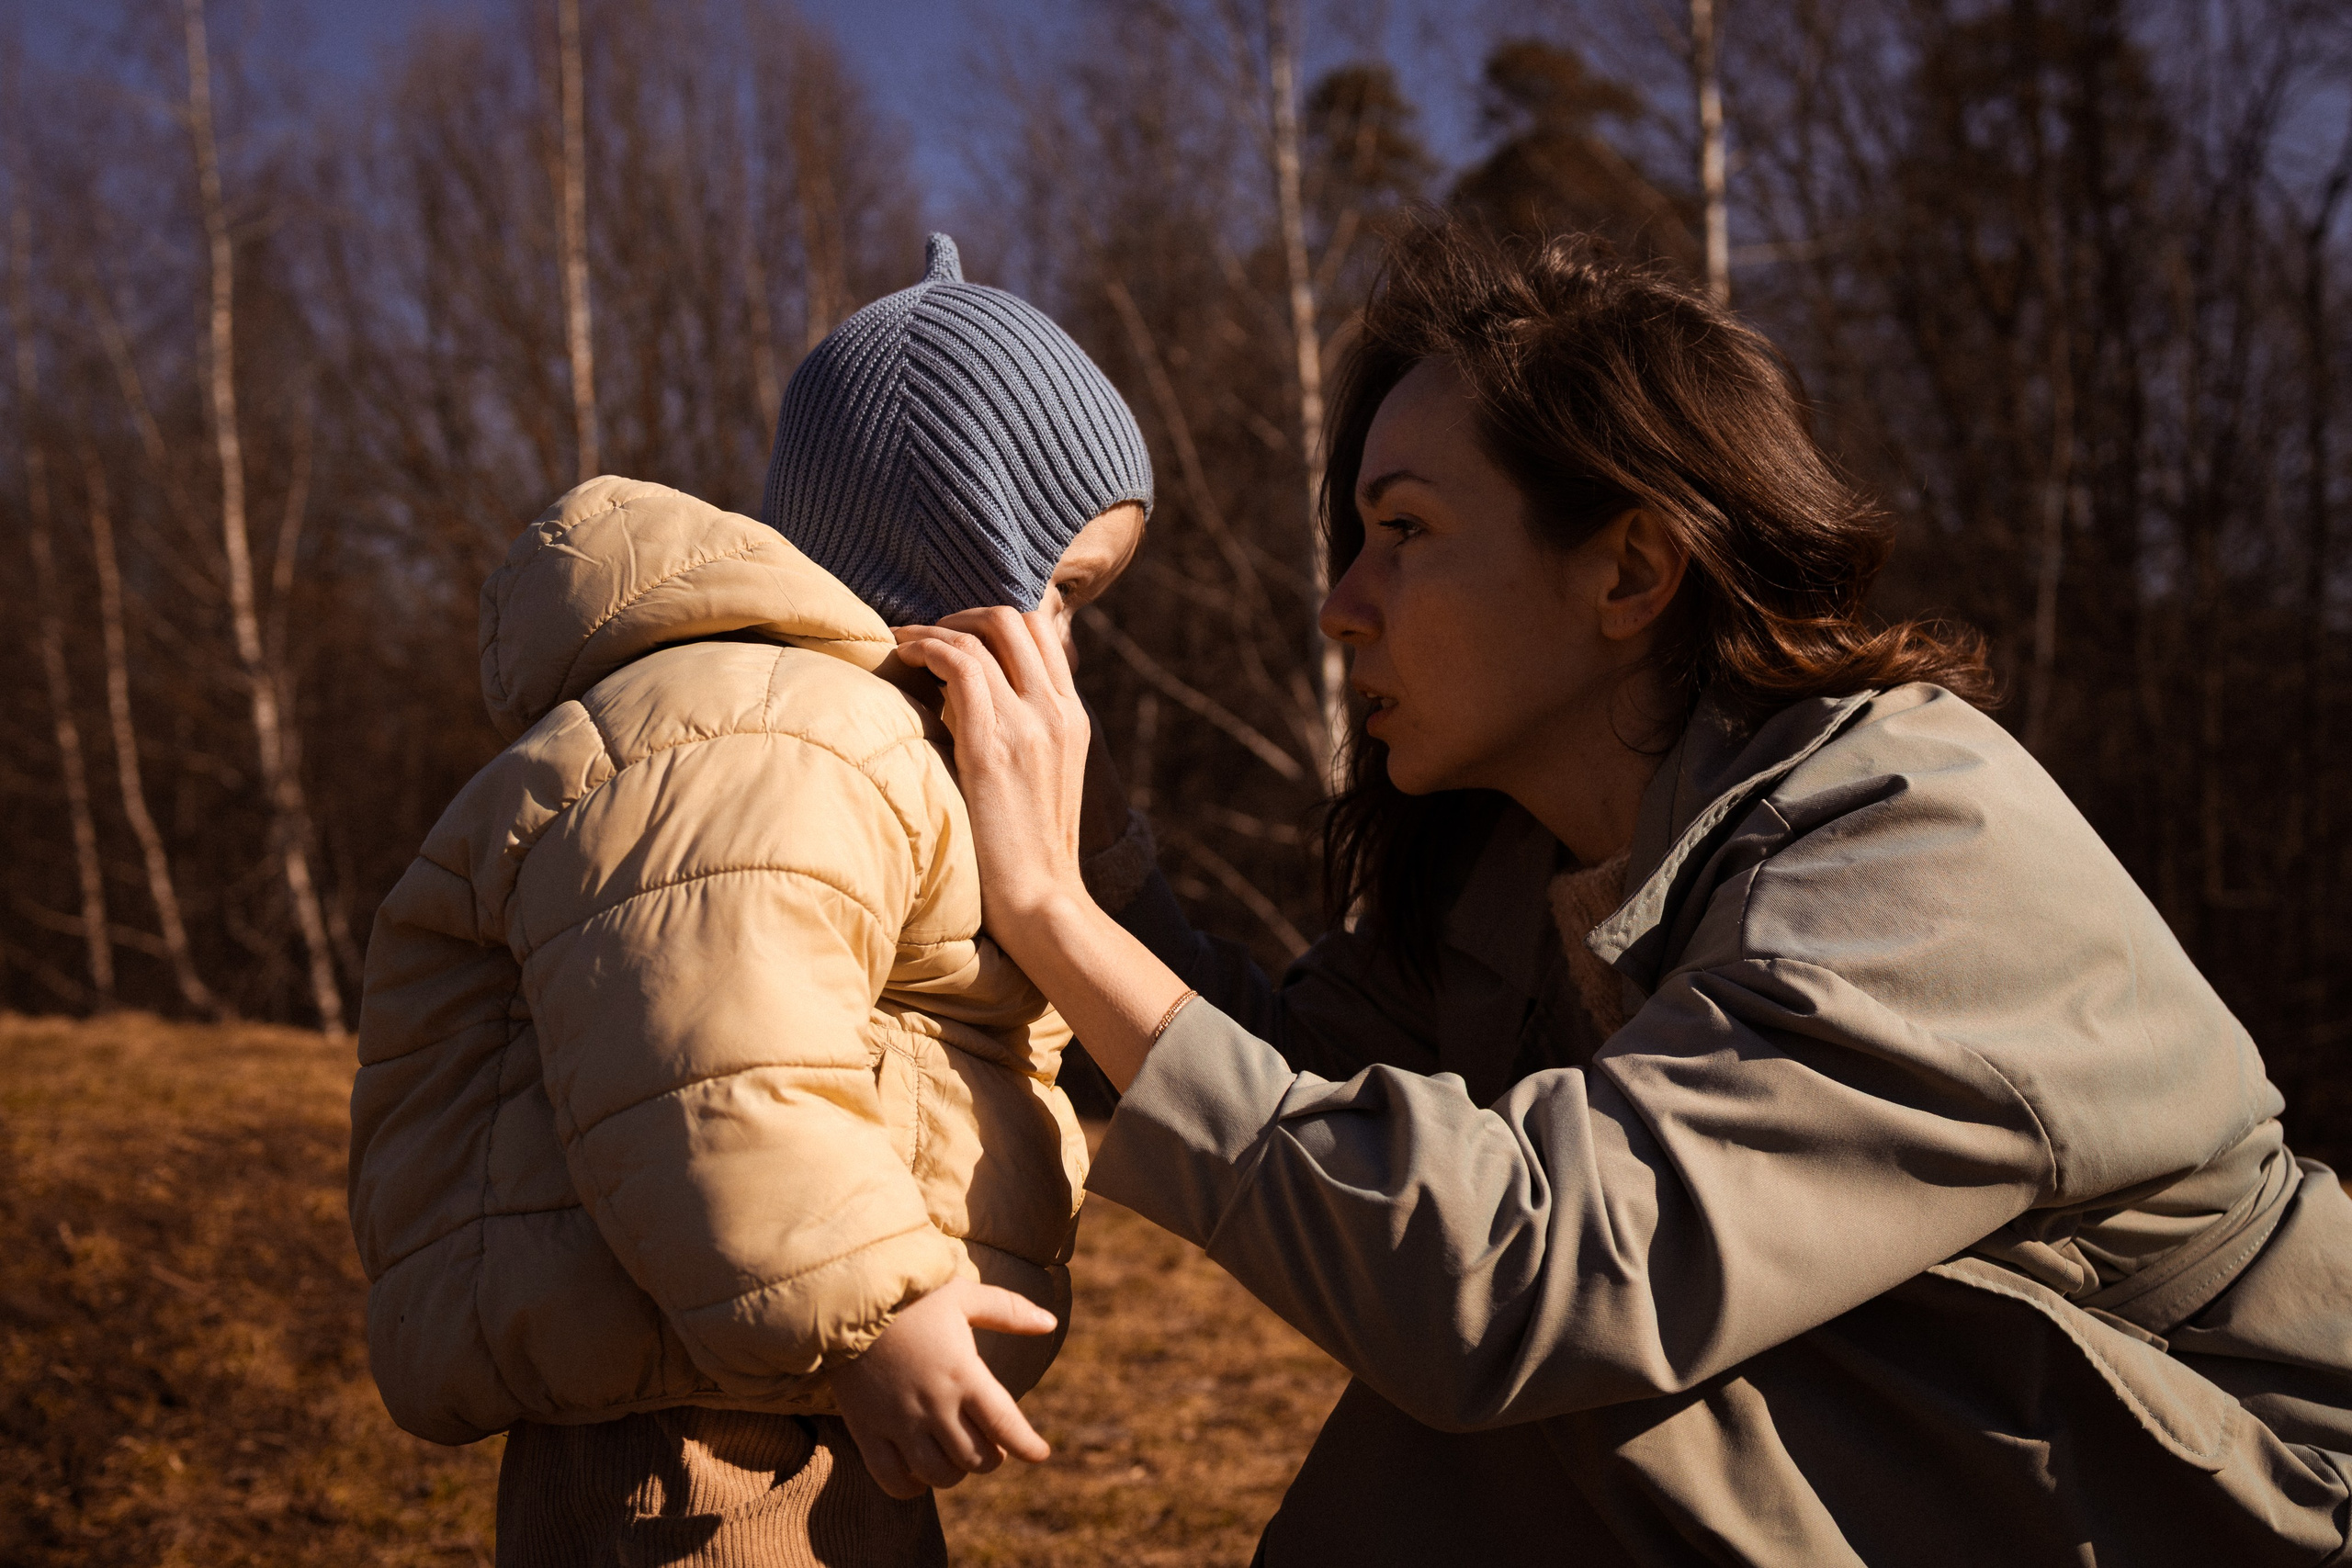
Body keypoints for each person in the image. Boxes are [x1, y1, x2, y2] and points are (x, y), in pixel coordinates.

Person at [895, 219, 2352, 1565]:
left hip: (2252, 1486)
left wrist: (1056, 917)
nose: (1343, 601)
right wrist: (1056, 837)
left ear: (1630, 570)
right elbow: (1290, 1085)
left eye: (1401, 531)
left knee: (1589, 1386)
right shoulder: (1527, 855)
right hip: (1993, 1449)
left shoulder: (1917, 846)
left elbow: (1524, 1280)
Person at [348, 233, 1152, 1566]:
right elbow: (709, 1046)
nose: (1065, 646)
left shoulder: (830, 733)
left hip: (771, 1376)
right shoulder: (774, 730)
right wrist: (874, 1312)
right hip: (703, 1436)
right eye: (1062, 592)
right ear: (955, 547)